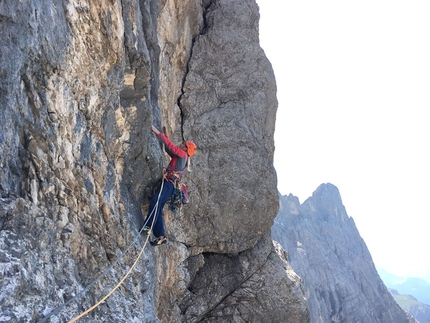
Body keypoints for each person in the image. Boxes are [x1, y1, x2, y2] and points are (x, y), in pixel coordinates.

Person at [143, 125, 197, 246]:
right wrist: (165, 135)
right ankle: (161, 236)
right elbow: (168, 149)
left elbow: (171, 146)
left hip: (169, 183)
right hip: (171, 185)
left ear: (186, 148)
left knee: (155, 202)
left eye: (183, 144)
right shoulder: (183, 158)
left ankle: (148, 226)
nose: (181, 144)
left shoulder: (183, 155)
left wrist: (157, 132)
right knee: (158, 206)